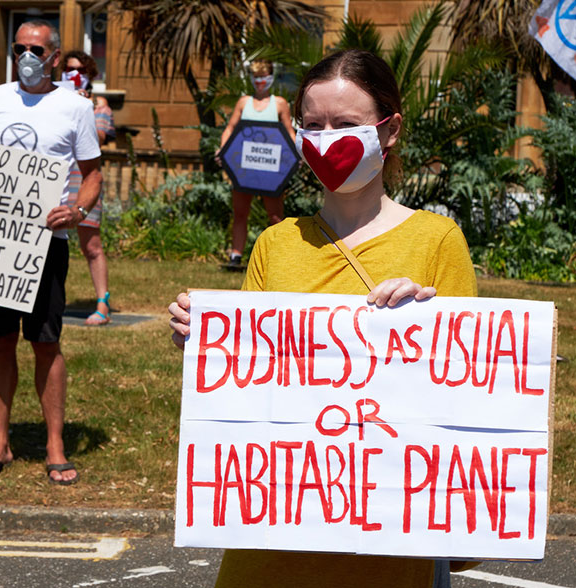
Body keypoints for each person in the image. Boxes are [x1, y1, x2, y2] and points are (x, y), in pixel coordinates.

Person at [169, 49, 478, 587]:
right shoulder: (274, 244)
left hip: (388, 563)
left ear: (389, 131)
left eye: (347, 125)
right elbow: (248, 405)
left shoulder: (437, 244)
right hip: (267, 555)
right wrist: (208, 348)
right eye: (313, 125)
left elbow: (472, 409)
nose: (326, 139)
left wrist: (433, 331)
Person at [0, 20, 102, 485]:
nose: (27, 56)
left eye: (36, 49)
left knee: (46, 341)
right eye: (19, 48)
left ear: (54, 56)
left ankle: (54, 443)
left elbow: (93, 174)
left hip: (48, 241)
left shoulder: (74, 106)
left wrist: (77, 209)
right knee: (0, 339)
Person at [217, 59, 295, 271]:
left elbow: (289, 132)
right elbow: (230, 129)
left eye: (264, 76)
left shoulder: (279, 103)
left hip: (271, 169)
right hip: (245, 168)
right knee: (240, 212)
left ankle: (278, 258)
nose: (260, 81)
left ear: (271, 77)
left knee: (275, 216)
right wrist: (223, 150)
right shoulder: (243, 102)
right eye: (256, 77)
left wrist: (297, 155)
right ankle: (236, 256)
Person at [61, 50, 115, 325]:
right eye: (70, 69)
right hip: (53, 176)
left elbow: (101, 138)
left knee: (90, 243)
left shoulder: (98, 105)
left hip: (82, 178)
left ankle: (102, 304)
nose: (75, 75)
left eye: (81, 70)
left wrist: (82, 107)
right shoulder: (54, 99)